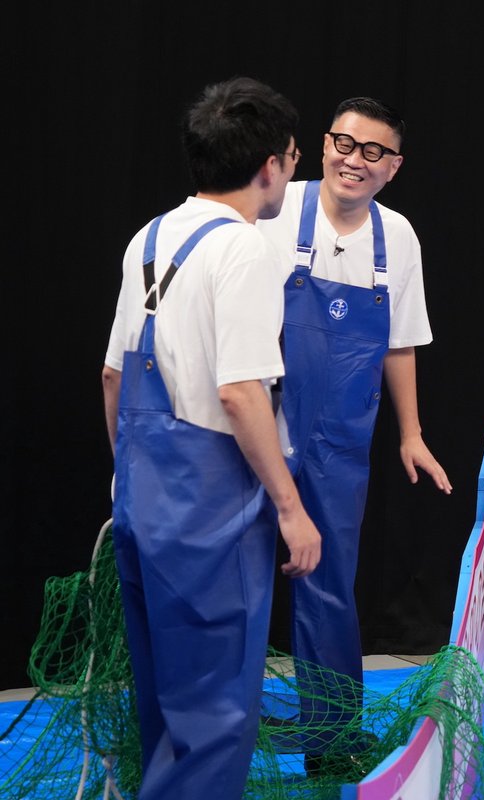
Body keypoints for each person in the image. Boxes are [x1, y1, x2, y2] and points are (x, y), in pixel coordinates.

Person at [101, 77, 321, 798]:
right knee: (216, 716)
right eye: (294, 155)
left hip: (141, 499)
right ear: (271, 166)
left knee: (165, 706)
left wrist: (130, 477)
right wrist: (290, 508)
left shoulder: (148, 237)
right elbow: (239, 392)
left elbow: (112, 377)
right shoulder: (244, 250)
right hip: (210, 515)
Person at [256, 96, 451, 772]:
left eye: (373, 152)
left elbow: (400, 342)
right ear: (324, 144)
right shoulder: (275, 211)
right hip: (257, 427)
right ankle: (214, 733)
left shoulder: (398, 238)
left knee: (329, 582)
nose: (354, 160)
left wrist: (410, 433)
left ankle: (332, 741)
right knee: (237, 579)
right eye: (345, 144)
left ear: (393, 166)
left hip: (338, 442)